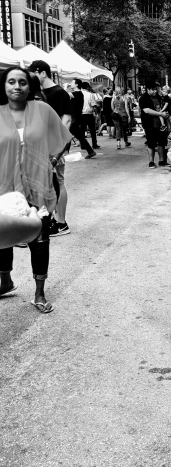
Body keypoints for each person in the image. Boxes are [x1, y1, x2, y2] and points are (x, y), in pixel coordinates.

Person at [0, 66, 72, 312]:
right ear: (4, 86)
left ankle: (39, 294)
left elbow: (63, 136)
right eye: (11, 82)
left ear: (30, 86)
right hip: (3, 185)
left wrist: (51, 160)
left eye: (22, 82)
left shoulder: (42, 110)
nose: (17, 86)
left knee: (39, 238)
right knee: (4, 234)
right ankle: (5, 281)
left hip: (38, 183)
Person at [28, 60, 73, 238]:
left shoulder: (59, 92)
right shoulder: (39, 93)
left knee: (59, 182)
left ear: (42, 73)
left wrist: (57, 147)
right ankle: (51, 218)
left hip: (55, 148)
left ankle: (61, 223)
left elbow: (67, 120)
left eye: (33, 73)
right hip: (39, 146)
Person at [139, 82, 168, 168]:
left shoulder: (159, 97)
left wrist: (164, 114)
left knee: (162, 143)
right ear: (148, 89)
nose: (155, 91)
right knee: (151, 143)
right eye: (153, 89)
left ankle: (162, 160)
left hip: (161, 124)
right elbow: (146, 110)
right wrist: (160, 114)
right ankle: (151, 161)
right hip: (149, 124)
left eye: (156, 89)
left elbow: (161, 109)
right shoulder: (143, 98)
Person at [69, 80, 96, 159]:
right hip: (75, 117)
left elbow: (65, 94)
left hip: (76, 117)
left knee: (70, 133)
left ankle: (63, 152)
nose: (71, 83)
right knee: (78, 135)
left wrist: (65, 87)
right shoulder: (77, 93)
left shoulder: (78, 93)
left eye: (72, 82)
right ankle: (90, 151)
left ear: (76, 84)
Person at [80, 82, 100, 150]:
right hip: (89, 113)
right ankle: (94, 144)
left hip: (81, 114)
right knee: (92, 130)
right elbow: (93, 104)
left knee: (82, 130)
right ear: (87, 87)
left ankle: (82, 144)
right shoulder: (90, 95)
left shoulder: (78, 94)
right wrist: (96, 113)